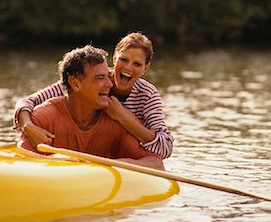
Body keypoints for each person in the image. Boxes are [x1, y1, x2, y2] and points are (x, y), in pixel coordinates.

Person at [14, 32, 173, 158]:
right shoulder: (88, 81)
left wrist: (122, 117)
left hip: (124, 152)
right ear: (115, 59)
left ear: (146, 68)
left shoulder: (147, 95)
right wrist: (28, 126)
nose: (128, 68)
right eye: (123, 60)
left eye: (137, 64)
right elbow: (28, 101)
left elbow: (165, 146)